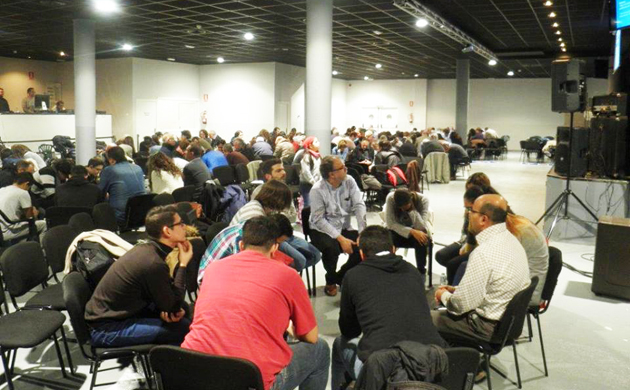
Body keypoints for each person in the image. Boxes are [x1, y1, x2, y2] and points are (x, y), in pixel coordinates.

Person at [182, 216, 330, 390]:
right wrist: (291, 327)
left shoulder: (214, 269)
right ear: (275, 248)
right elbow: (310, 337)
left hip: (193, 370)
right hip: (249, 379)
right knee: (320, 349)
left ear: (241, 246)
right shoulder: (288, 275)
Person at [331, 226, 446, 389]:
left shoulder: (353, 276)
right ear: (393, 249)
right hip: (430, 369)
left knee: (339, 343)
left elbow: (349, 331)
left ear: (362, 254)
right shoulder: (412, 271)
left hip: (383, 376)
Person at [85, 206, 193, 347]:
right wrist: (183, 264)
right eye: (180, 224)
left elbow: (169, 301)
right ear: (167, 231)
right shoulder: (153, 262)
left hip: (121, 314)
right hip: (105, 329)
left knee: (182, 310)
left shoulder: (148, 250)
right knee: (183, 327)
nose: (185, 227)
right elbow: (173, 305)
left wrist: (166, 309)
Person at [432, 194, 530, 342]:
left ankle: (451, 361)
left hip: (485, 328)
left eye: (471, 210)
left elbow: (459, 306)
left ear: (483, 219)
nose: (468, 214)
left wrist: (442, 295)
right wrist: (457, 290)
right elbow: (493, 286)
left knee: (423, 319)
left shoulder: (483, 253)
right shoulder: (512, 240)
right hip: (508, 325)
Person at [309, 156, 366, 297]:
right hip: (320, 228)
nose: (346, 169)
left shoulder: (349, 181)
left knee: (363, 246)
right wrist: (340, 239)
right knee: (331, 248)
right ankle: (330, 280)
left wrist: (362, 232)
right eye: (342, 167)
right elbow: (319, 220)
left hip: (344, 225)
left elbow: (359, 205)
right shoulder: (317, 190)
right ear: (331, 174)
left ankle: (338, 277)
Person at [434, 185, 485, 285]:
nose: (467, 210)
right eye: (466, 207)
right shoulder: (469, 213)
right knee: (441, 255)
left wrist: (469, 247)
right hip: (466, 242)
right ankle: (460, 278)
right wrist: (464, 244)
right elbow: (465, 233)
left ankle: (452, 289)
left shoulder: (486, 216)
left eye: (470, 208)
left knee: (452, 264)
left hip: (479, 248)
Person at [384, 189, 431, 275]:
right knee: (387, 238)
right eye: (400, 207)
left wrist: (411, 210)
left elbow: (421, 227)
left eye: (404, 207)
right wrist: (411, 231)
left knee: (422, 239)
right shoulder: (391, 198)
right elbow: (391, 224)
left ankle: (421, 270)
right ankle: (390, 266)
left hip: (416, 231)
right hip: (396, 231)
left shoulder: (423, 200)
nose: (402, 210)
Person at [98, 146, 146, 224]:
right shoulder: (138, 168)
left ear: (111, 160)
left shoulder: (109, 170)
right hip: (141, 212)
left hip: (121, 215)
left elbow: (100, 194)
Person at [0, 172, 46, 242]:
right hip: (9, 230)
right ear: (26, 183)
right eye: (29, 187)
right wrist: (35, 214)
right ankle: (42, 250)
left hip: (2, 228)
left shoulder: (2, 190)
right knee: (43, 224)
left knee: (23, 226)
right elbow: (30, 217)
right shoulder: (23, 193)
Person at [299, 136, 322, 207]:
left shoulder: (318, 156)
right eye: (316, 142)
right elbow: (306, 172)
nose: (319, 143)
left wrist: (320, 180)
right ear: (310, 145)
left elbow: (320, 170)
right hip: (307, 185)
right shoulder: (307, 156)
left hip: (316, 184)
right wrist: (313, 182)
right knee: (308, 205)